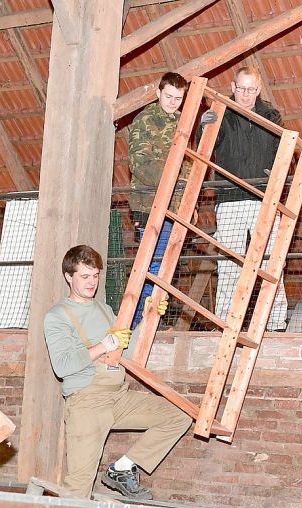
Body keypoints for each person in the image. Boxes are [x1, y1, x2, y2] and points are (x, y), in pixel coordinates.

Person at [43, 245, 191, 499]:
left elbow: (128, 352)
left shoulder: (104, 309)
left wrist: (147, 318)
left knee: (179, 416)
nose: (92, 282)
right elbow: (63, 366)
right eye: (85, 276)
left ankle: (122, 468)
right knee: (78, 489)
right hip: (87, 402)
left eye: (96, 275)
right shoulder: (58, 316)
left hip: (119, 397)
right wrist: (104, 345)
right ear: (69, 276)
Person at [201, 67, 289, 330]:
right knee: (229, 264)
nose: (246, 94)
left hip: (264, 200)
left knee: (271, 261)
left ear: (259, 89)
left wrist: (275, 176)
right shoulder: (221, 114)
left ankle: (276, 322)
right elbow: (205, 146)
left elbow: (283, 154)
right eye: (241, 89)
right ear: (233, 86)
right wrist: (203, 127)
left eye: (251, 89)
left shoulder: (271, 116)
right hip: (229, 200)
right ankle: (226, 323)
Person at [127, 71, 192, 327]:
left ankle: (150, 318)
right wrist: (173, 181)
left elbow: (188, 164)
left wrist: (189, 200)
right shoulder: (145, 120)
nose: (173, 102)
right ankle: (136, 322)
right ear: (158, 93)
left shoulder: (182, 123)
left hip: (175, 206)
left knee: (165, 265)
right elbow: (139, 163)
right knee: (151, 263)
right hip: (150, 203)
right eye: (169, 96)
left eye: (178, 98)